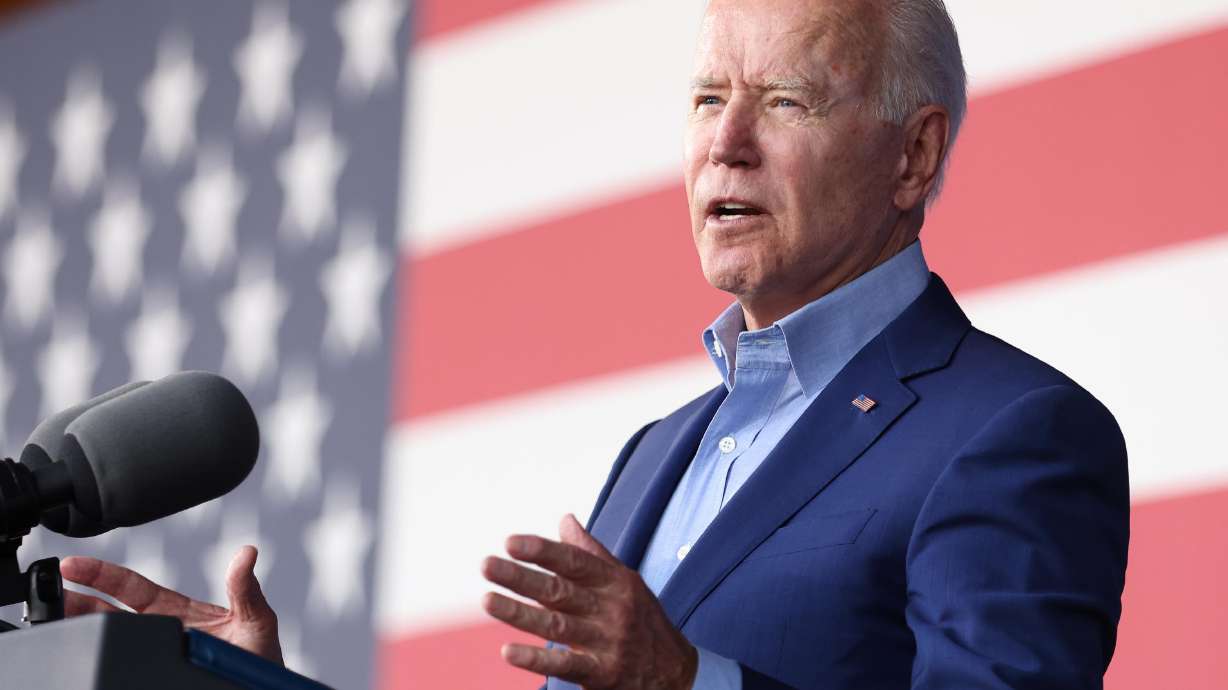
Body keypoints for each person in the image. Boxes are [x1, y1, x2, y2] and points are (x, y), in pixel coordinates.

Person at [59, 0, 1130, 688]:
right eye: (707, 98)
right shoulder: (658, 451)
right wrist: (250, 687)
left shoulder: (1013, 434)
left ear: (913, 156)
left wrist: (689, 683)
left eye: (785, 101)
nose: (725, 143)